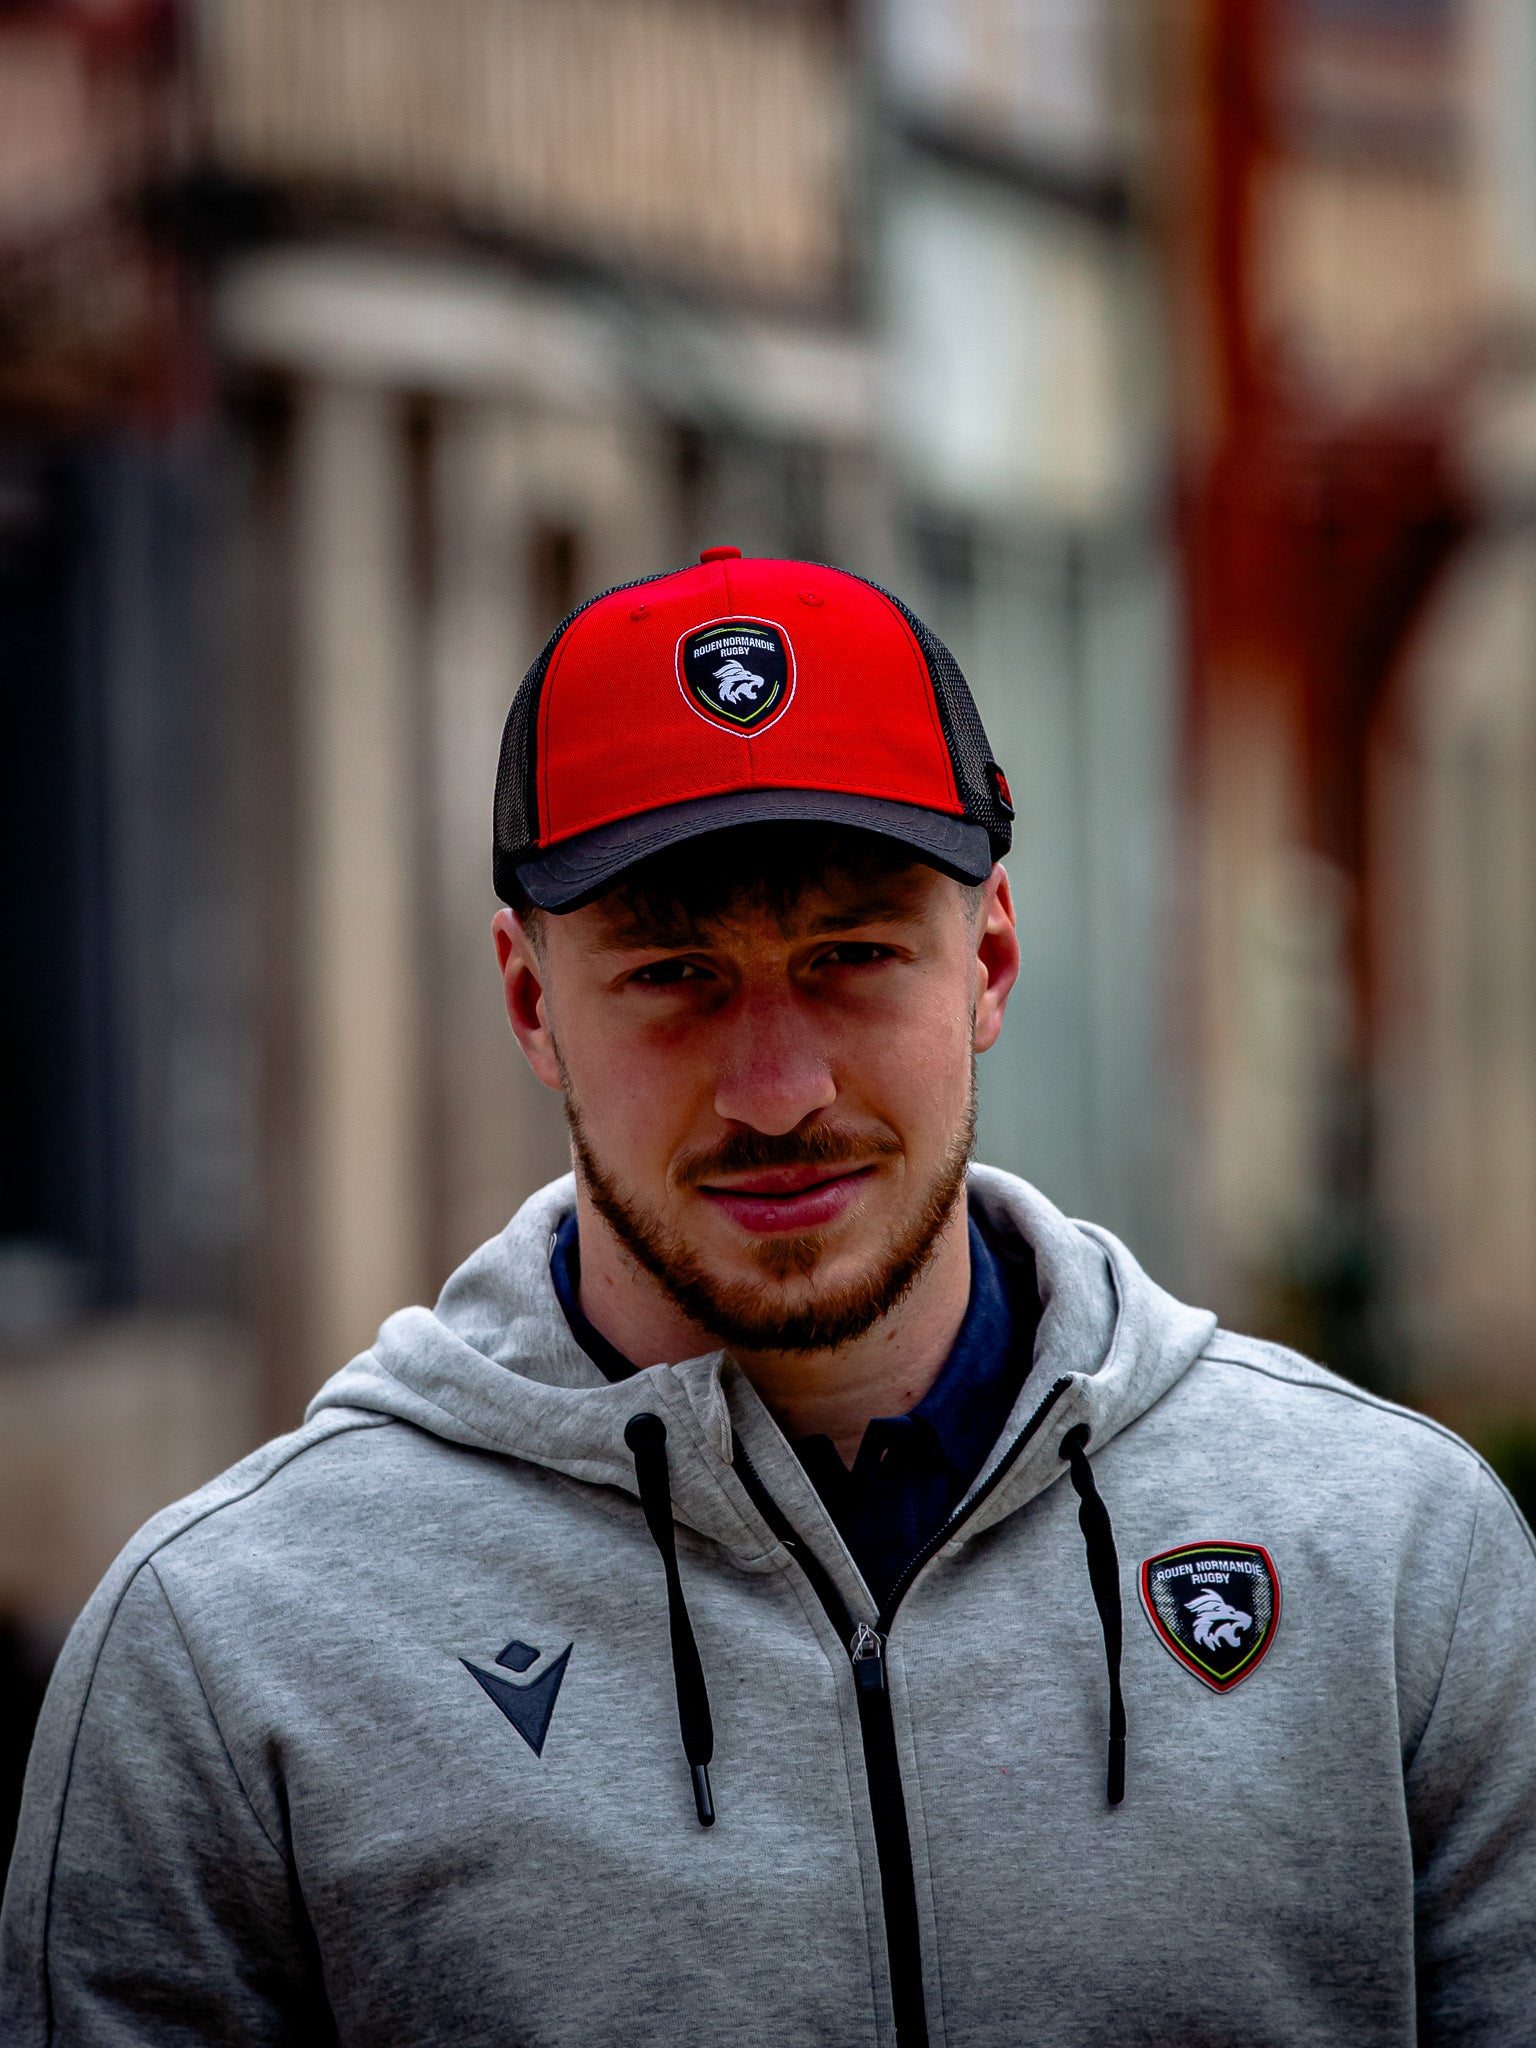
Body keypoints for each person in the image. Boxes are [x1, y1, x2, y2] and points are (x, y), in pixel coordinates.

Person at [3, 548, 1534, 2047]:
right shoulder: (233, 1648)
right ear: (533, 1000)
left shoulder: (1392, 1555)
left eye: (852, 957)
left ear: (989, 960)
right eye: (674, 977)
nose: (778, 1092)